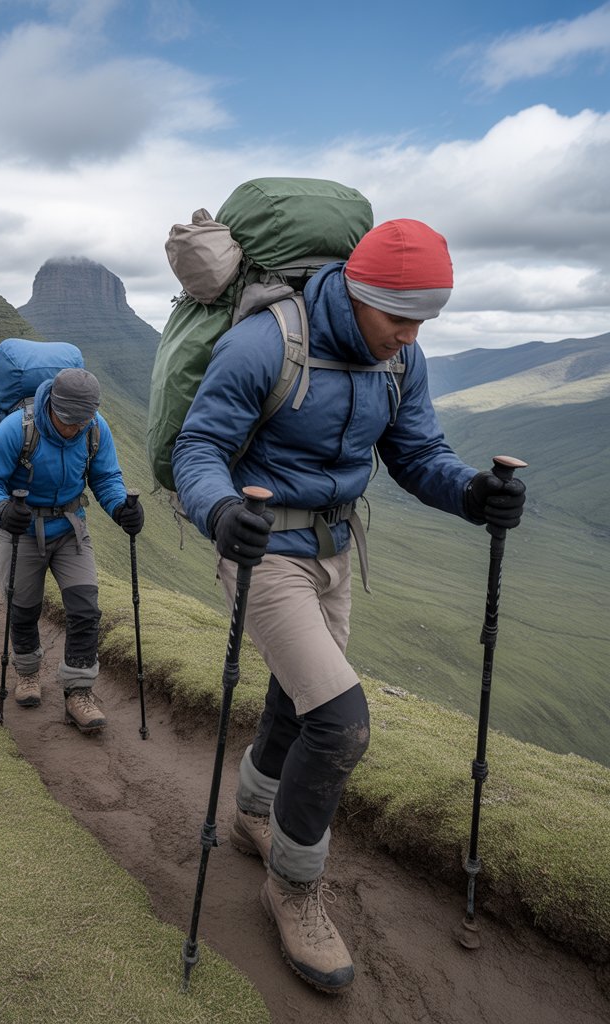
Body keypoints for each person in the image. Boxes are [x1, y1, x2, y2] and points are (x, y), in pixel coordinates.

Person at [172, 219, 526, 993]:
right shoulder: (267, 345)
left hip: (333, 553)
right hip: (264, 554)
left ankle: (253, 815)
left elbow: (416, 452)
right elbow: (196, 449)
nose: (408, 336)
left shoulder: (400, 359)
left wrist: (471, 492)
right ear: (357, 293)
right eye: (398, 318)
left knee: (300, 702)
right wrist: (221, 511)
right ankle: (294, 888)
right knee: (340, 721)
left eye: (423, 322)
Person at [0, 367, 144, 733]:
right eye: (68, 421)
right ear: (52, 407)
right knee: (23, 607)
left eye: (83, 421)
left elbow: (106, 477)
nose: (75, 428)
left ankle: (79, 692)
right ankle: (28, 672)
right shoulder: (18, 428)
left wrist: (120, 509)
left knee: (85, 607)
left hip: (70, 528)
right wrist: (1, 509)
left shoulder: (95, 428)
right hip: (21, 530)